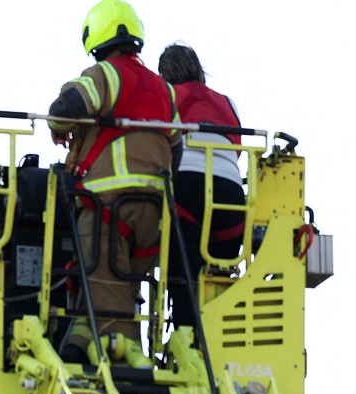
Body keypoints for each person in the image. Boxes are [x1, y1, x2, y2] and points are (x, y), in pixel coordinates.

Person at [47, 0, 178, 362]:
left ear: (96, 37)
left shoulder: (104, 74)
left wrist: (60, 130)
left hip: (106, 206)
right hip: (154, 216)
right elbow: (176, 147)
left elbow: (63, 111)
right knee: (113, 293)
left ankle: (124, 376)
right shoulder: (165, 91)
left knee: (111, 313)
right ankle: (74, 346)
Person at [158, 43, 246, 329]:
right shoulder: (226, 102)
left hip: (186, 185)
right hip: (232, 197)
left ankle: (185, 333)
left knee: (182, 268)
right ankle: (216, 333)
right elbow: (237, 148)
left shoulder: (165, 96)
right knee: (219, 273)